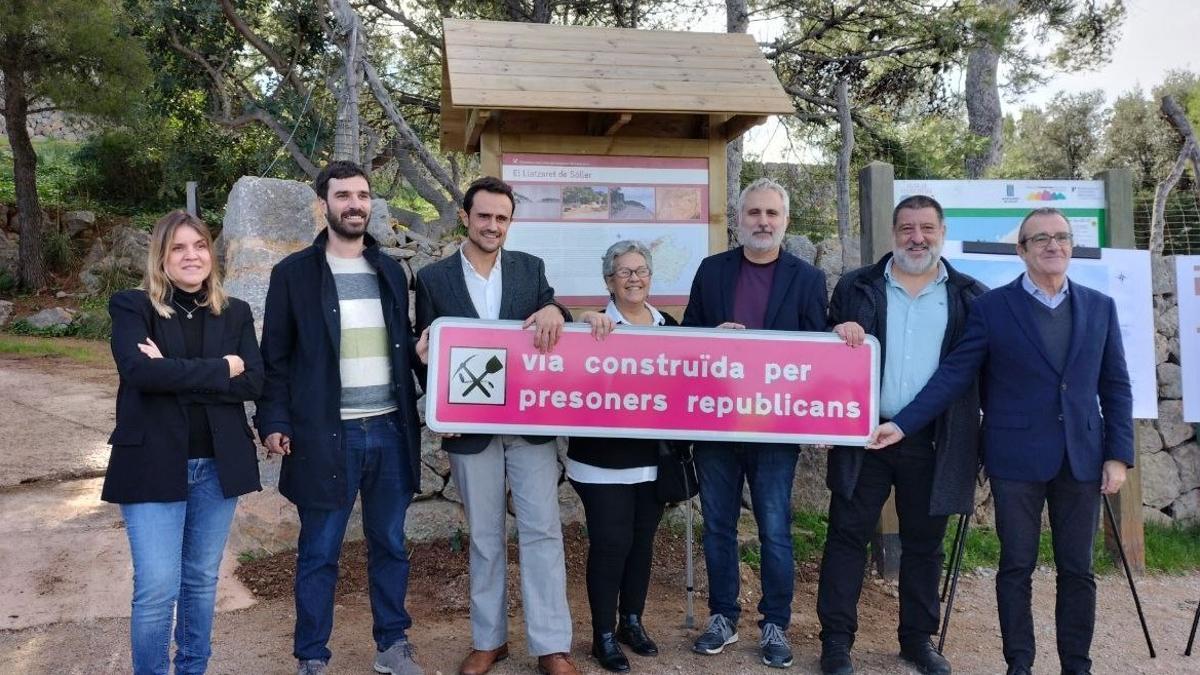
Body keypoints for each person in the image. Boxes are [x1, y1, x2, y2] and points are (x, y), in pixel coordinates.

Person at [868, 207, 1134, 675]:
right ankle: (1019, 665)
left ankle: (1078, 665)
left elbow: (1115, 386)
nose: (1053, 246)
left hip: (1082, 457)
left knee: (1079, 570)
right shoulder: (992, 308)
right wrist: (905, 423)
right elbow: (953, 374)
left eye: (1061, 237)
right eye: (1040, 239)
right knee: (1016, 568)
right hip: (1015, 458)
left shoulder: (1099, 306)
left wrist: (1118, 455)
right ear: (1021, 250)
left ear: (1071, 245)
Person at [257, 161, 427, 675]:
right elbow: (276, 359)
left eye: (362, 195)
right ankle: (312, 655)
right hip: (327, 435)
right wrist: (273, 419)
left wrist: (424, 359)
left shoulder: (390, 271)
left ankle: (392, 645)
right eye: (343, 195)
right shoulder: (293, 275)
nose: (355, 204)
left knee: (391, 545)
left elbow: (402, 348)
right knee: (319, 552)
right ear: (323, 204)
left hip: (391, 430)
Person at [817, 195, 987, 675]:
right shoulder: (857, 286)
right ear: (893, 234)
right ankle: (836, 643)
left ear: (942, 231)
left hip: (935, 439)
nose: (918, 237)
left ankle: (917, 640)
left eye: (927, 228)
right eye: (908, 228)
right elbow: (826, 353)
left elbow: (975, 373)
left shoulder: (971, 296)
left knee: (924, 544)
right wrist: (837, 328)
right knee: (846, 537)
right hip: (864, 436)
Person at [414, 176, 577, 675]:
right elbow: (427, 352)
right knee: (484, 536)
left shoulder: (530, 270)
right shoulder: (433, 278)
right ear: (466, 216)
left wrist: (555, 309)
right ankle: (489, 640)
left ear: (511, 222)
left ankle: (551, 644)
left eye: (502, 218)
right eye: (484, 216)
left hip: (528, 423)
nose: (492, 226)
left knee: (543, 531)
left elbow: (555, 314)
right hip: (471, 428)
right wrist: (428, 370)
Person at [103, 210, 263, 675]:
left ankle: (193, 669)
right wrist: (221, 368)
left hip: (218, 464)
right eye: (178, 247)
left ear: (211, 253)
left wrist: (170, 371)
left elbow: (254, 381)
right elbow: (138, 372)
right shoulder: (133, 307)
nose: (191, 256)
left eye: (199, 245)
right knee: (156, 586)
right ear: (161, 257)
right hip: (150, 462)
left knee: (201, 581)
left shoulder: (235, 311)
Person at [682, 177, 828, 668]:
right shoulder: (712, 271)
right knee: (718, 527)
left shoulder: (807, 279)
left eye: (772, 214)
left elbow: (818, 352)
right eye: (754, 213)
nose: (762, 222)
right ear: (739, 219)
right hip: (718, 426)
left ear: (785, 221)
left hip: (775, 430)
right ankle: (722, 616)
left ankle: (774, 625)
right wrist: (712, 336)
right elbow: (687, 341)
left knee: (775, 530)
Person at [568, 240, 676, 673]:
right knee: (611, 545)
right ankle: (603, 634)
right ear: (609, 281)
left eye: (641, 270)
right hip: (601, 460)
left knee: (641, 545)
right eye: (624, 272)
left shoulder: (668, 325)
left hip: (652, 461)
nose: (634, 278)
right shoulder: (593, 326)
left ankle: (632, 621)